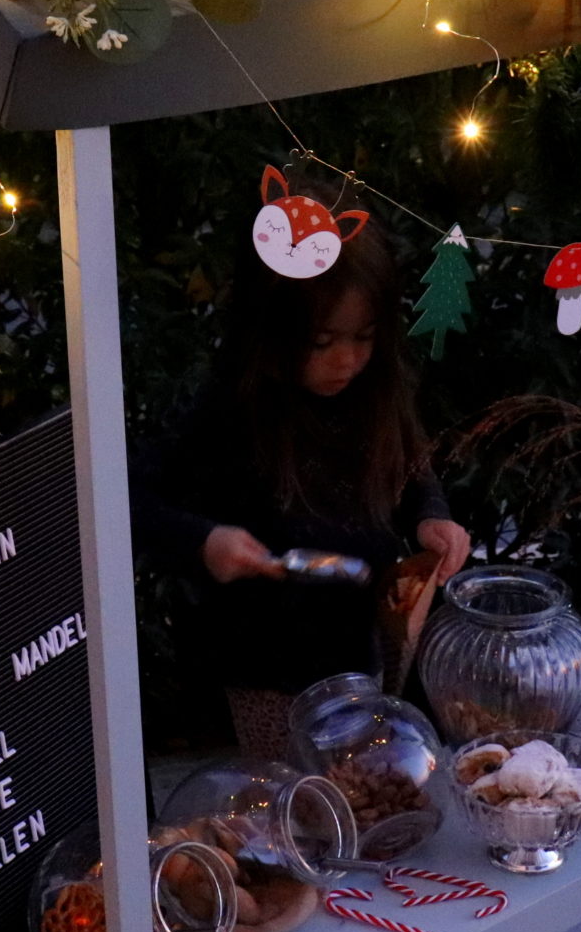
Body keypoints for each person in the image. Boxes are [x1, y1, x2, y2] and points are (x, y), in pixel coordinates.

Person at [130, 189, 470, 756]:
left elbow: (409, 467)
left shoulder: (375, 392)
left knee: (367, 788)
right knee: (291, 801)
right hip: (266, 668)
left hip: (368, 646)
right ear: (270, 331)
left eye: (363, 338)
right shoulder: (230, 411)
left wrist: (431, 517)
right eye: (321, 342)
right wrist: (204, 541)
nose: (347, 360)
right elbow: (133, 499)